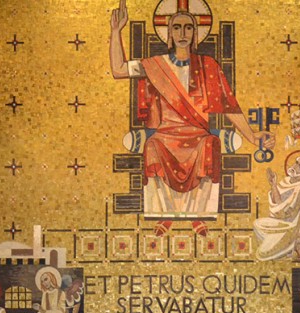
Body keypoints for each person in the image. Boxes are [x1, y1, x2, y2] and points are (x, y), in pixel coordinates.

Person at [109, 0, 274, 233]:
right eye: (177, 27)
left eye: (188, 27)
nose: (182, 33)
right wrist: (116, 32)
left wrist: (252, 135)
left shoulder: (208, 66)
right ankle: (164, 215)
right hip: (165, 134)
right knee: (153, 146)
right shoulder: (155, 65)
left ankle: (198, 215)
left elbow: (229, 106)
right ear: (169, 34)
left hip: (198, 135)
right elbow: (118, 70)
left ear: (195, 34)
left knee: (210, 145)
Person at [254, 158, 300, 260]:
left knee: (263, 254)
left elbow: (291, 213)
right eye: (296, 163)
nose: (295, 166)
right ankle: (279, 245)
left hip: (288, 226)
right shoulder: (285, 181)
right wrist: (273, 184)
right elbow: (277, 202)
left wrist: (279, 214)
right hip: (277, 220)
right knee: (256, 224)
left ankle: (289, 245)